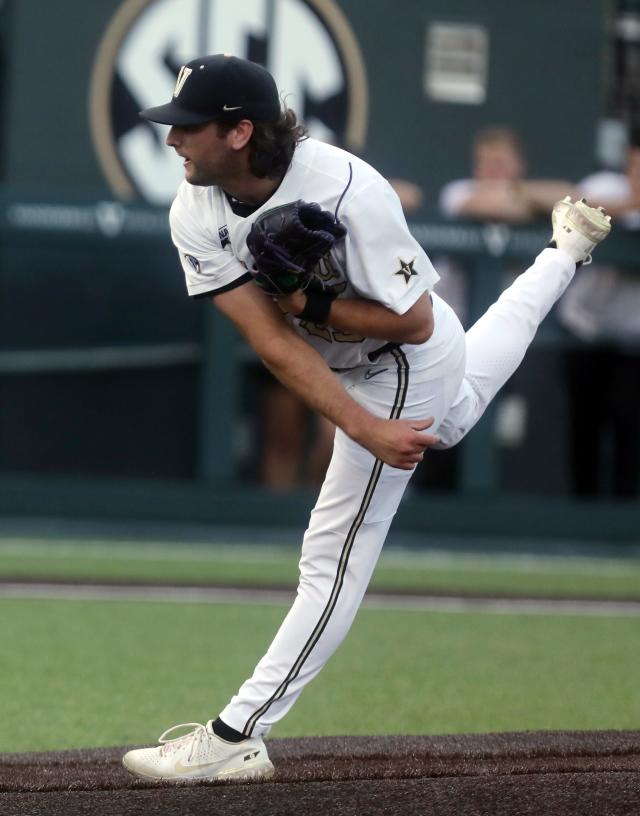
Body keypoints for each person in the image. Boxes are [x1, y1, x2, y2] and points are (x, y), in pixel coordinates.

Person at [122, 55, 611, 783]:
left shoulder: (349, 188)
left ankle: (236, 736)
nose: (172, 141)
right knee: (459, 412)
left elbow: (412, 323)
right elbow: (271, 344)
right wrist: (351, 410)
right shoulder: (193, 208)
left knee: (332, 561)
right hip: (375, 364)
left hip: (405, 356)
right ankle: (564, 251)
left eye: (188, 127)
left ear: (239, 131)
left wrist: (315, 317)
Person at [558, 139, 640, 497]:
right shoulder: (608, 185)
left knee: (630, 427)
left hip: (633, 341)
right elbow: (575, 208)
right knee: (584, 426)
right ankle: (582, 510)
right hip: (585, 328)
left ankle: (622, 519)